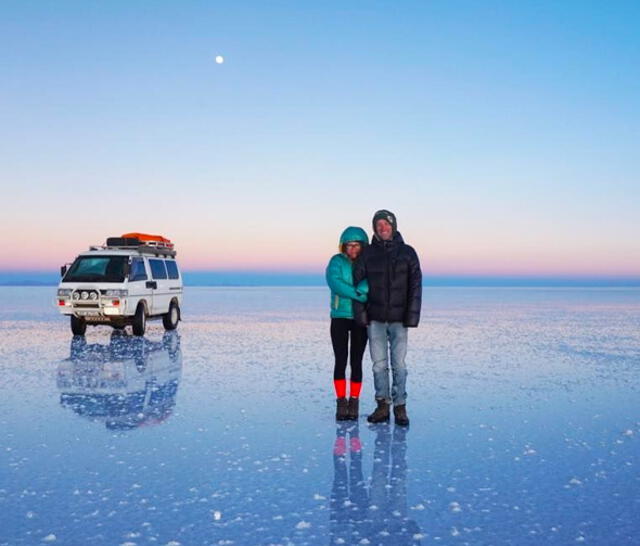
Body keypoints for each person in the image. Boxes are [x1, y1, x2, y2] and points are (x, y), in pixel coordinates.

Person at [353, 210, 422, 426]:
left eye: (386, 224)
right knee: (378, 365)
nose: (382, 228)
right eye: (378, 225)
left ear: (393, 226)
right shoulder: (367, 254)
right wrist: (362, 316)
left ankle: (400, 406)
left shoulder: (408, 253)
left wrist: (412, 317)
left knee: (399, 364)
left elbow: (415, 287)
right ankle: (382, 405)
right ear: (374, 228)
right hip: (375, 319)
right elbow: (358, 287)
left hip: (399, 319)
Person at [325, 227, 369, 421]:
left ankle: (354, 401)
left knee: (356, 361)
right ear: (343, 246)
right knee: (340, 360)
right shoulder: (336, 261)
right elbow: (335, 283)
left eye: (357, 245)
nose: (352, 249)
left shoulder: (368, 263)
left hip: (360, 318)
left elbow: (372, 283)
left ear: (363, 246)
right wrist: (357, 293)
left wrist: (363, 290)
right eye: (349, 245)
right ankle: (341, 402)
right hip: (340, 317)